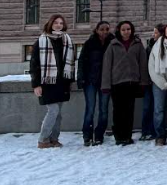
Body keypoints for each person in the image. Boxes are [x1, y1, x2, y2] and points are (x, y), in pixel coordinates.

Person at [30, 14, 76, 149]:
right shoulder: (41, 41)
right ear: (50, 24)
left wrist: (70, 81)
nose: (58, 25)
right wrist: (36, 84)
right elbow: (34, 64)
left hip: (62, 82)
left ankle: (54, 139)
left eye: (61, 23)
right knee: (53, 111)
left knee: (58, 114)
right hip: (47, 82)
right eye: (56, 22)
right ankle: (43, 139)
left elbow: (72, 61)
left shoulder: (67, 40)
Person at [102, 20, 150, 145]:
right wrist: (106, 85)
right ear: (119, 31)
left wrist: (143, 82)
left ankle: (127, 136)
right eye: (123, 29)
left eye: (128, 29)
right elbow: (107, 66)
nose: (126, 31)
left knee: (129, 111)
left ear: (132, 30)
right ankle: (119, 136)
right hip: (117, 83)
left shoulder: (138, 44)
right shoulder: (113, 45)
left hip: (132, 82)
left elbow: (143, 64)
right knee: (118, 111)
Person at [77, 21, 113, 146]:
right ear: (97, 30)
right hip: (90, 81)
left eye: (107, 29)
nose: (104, 32)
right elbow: (81, 61)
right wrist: (81, 78)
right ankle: (87, 135)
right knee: (90, 109)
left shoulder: (112, 43)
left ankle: (99, 135)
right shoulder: (89, 43)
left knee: (104, 110)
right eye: (102, 29)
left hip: (106, 82)